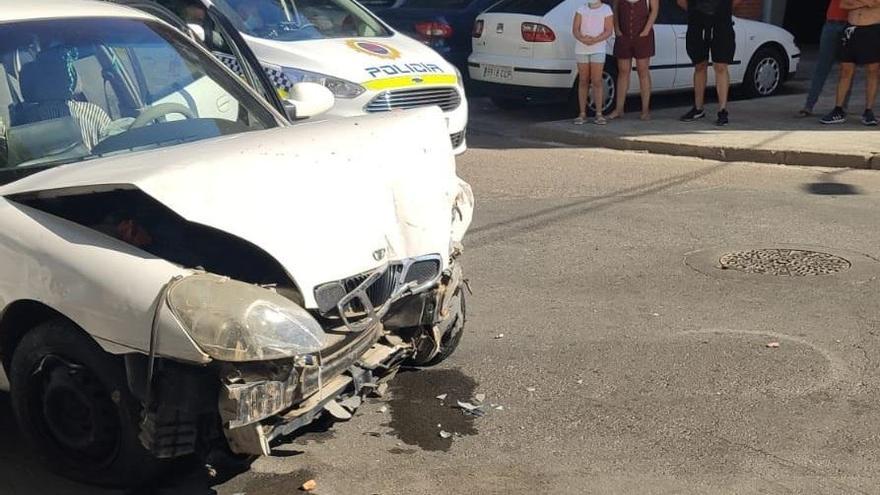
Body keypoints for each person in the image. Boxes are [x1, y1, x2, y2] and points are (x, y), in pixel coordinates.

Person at [676, 0, 742, 126]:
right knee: (699, 65)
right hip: (697, 22)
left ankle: (722, 110)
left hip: (721, 23)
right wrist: (695, 9)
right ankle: (698, 108)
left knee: (721, 66)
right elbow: (680, 1)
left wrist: (723, 8)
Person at [820, 0, 880, 126]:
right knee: (845, 70)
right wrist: (865, 3)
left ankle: (868, 111)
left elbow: (875, 3)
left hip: (872, 28)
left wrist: (856, 2)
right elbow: (843, 4)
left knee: (872, 71)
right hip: (851, 29)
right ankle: (838, 109)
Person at [798, 0, 850, 117]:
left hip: (849, 24)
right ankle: (809, 106)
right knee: (822, 67)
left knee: (847, 69)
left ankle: (841, 107)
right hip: (831, 23)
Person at [609, 0, 659, 121]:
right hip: (623, 35)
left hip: (643, 36)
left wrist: (646, 30)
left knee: (643, 71)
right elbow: (615, 9)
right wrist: (617, 28)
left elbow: (654, 11)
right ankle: (619, 109)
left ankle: (645, 110)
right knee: (623, 71)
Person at [573, 0, 614, 125]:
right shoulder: (581, 9)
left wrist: (596, 40)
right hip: (581, 48)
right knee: (583, 80)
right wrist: (582, 38)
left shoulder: (606, 9)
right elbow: (575, 29)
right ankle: (582, 113)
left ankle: (599, 113)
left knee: (597, 80)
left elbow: (608, 30)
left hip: (598, 49)